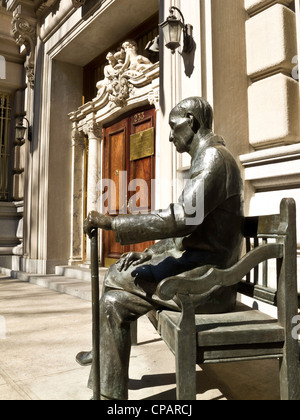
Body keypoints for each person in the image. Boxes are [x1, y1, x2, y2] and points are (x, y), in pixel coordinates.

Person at [79, 97, 244, 400]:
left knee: (116, 273)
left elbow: (182, 219)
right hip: (202, 268)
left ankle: (102, 359)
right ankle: (107, 391)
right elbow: (190, 228)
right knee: (114, 301)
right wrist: (151, 252)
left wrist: (113, 223)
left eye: (173, 126)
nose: (169, 136)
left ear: (191, 122)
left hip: (212, 282)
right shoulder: (207, 158)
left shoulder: (213, 160)